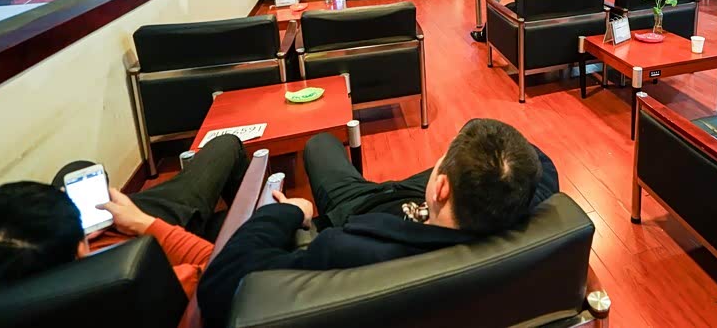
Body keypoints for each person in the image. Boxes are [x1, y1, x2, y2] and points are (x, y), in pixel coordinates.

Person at [198, 119, 559, 327]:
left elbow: (222, 286)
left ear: (442, 187)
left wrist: (291, 210)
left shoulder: (342, 250)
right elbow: (539, 164)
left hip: (352, 209)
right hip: (406, 198)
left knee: (320, 143)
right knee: (322, 144)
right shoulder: (512, 208)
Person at [0, 135, 247, 296]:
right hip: (149, 231)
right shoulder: (148, 284)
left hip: (117, 227)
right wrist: (143, 223)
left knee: (77, 169)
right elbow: (227, 268)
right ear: (80, 250)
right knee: (226, 146)